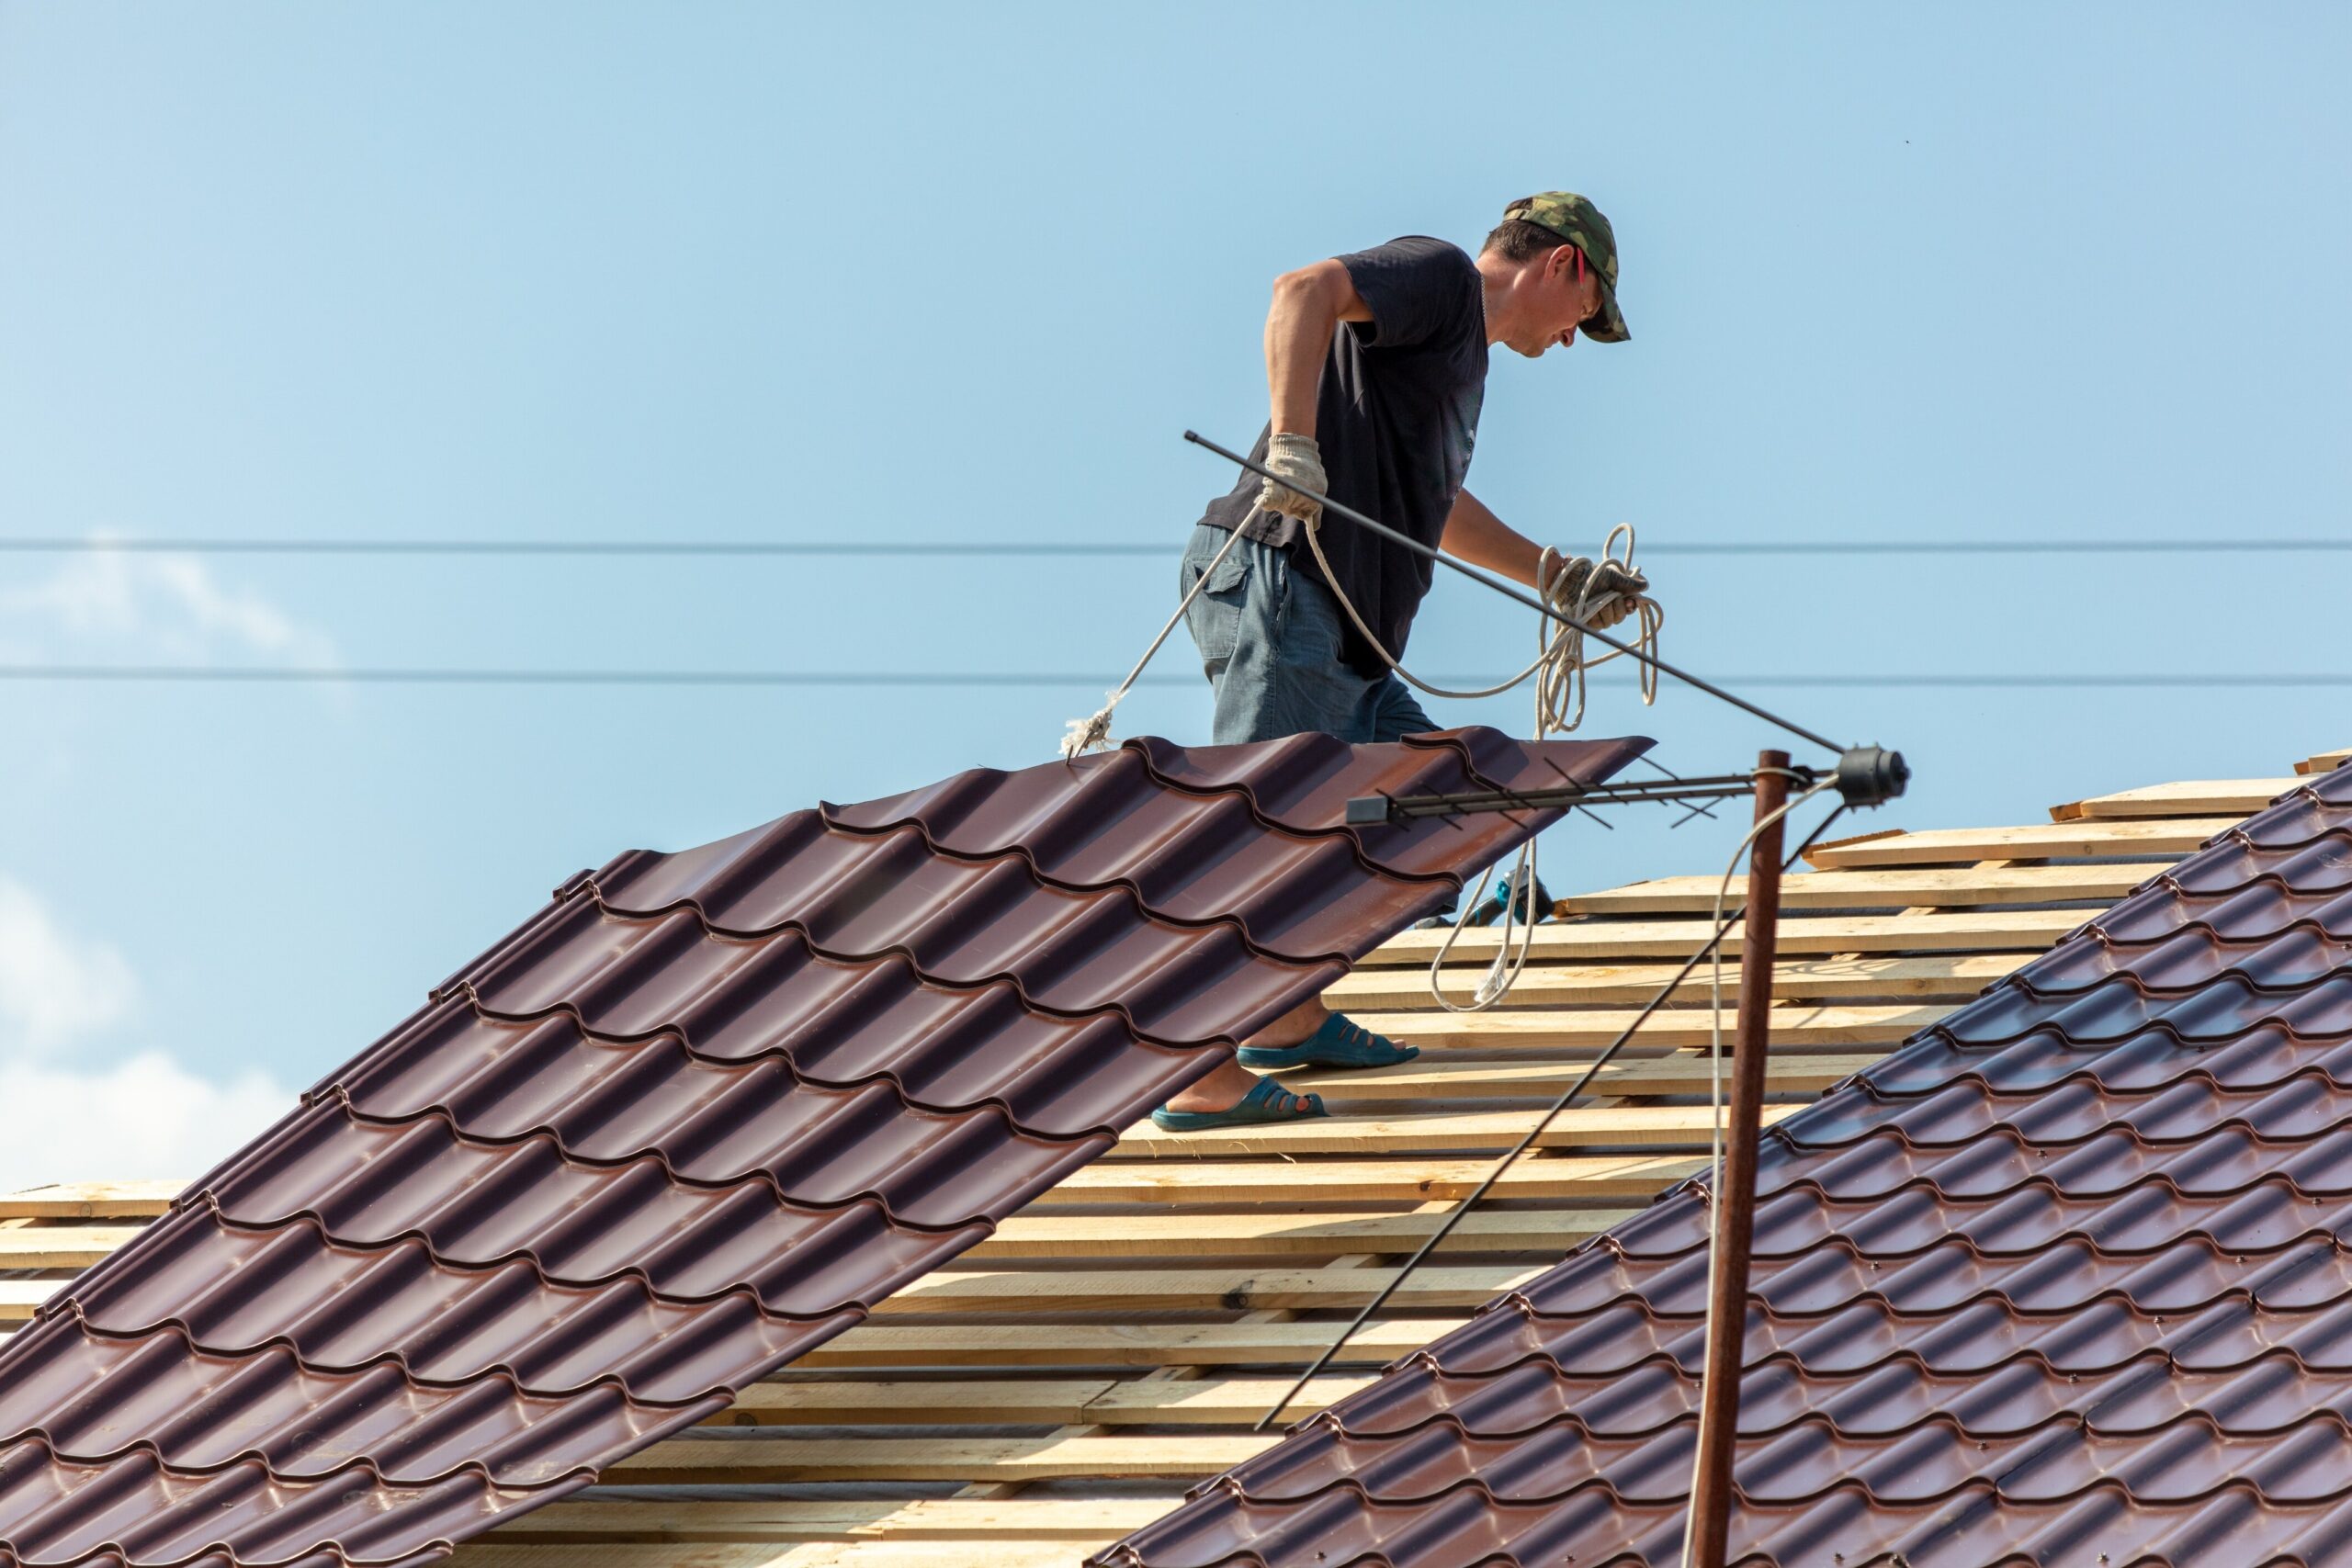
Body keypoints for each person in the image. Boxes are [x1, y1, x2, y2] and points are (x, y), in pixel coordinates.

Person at [1152, 192, 1639, 1132]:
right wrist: (1292, 446)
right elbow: (1302, 290)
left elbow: (1435, 501)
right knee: (1263, 827)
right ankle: (1196, 1069)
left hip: (1349, 635)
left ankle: (1287, 1016)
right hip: (1288, 580)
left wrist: (1555, 578)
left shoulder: (1455, 358)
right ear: (1564, 266)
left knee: (1438, 807)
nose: (1575, 340)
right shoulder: (1443, 277)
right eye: (1589, 315)